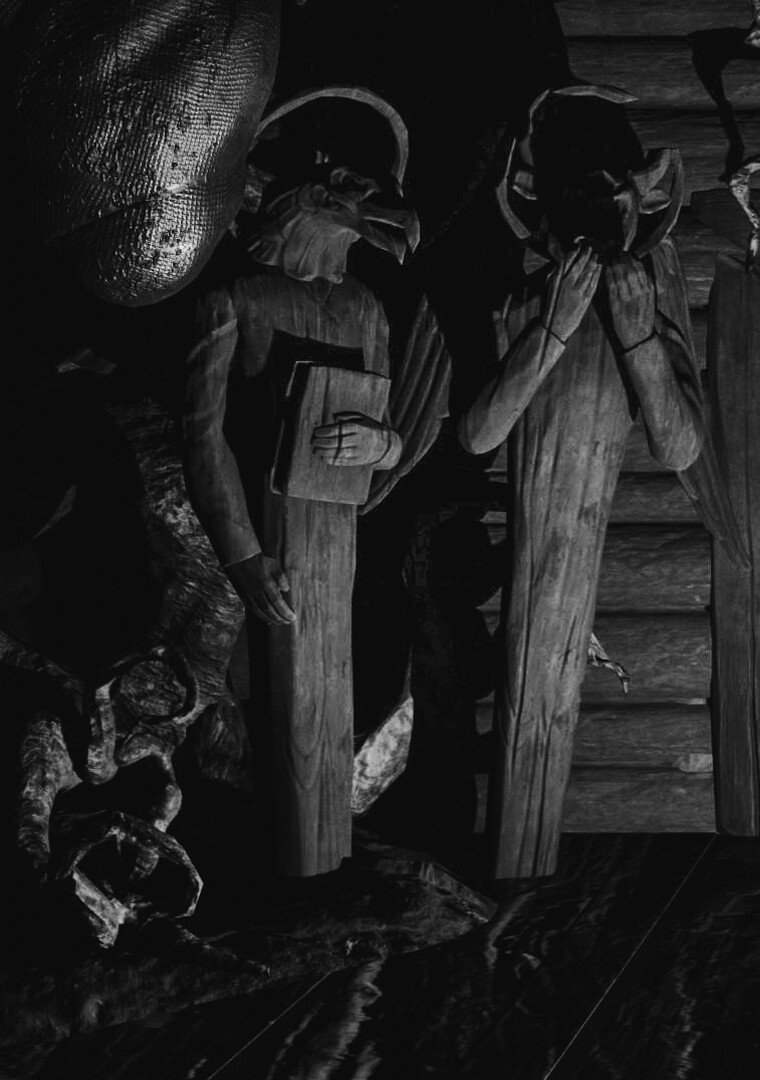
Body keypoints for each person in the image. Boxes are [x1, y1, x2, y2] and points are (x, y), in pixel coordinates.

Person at [182, 88, 433, 876]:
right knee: (258, 704)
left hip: (340, 542)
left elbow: (391, 436)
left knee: (338, 686)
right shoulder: (234, 298)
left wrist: (381, 441)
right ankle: (283, 853)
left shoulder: (367, 309)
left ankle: (326, 847)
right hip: (264, 541)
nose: (375, 209)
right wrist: (243, 556)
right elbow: (203, 437)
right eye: (349, 189)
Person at [456, 85, 705, 878]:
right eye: (579, 197)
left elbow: (679, 445)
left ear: (638, 202)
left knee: (549, 688)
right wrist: (554, 327)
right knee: (525, 684)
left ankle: (525, 861)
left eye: (612, 195)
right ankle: (515, 861)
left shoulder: (648, 299)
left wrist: (637, 338)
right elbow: (479, 431)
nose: (598, 215)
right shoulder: (522, 301)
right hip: (535, 529)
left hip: (583, 527)